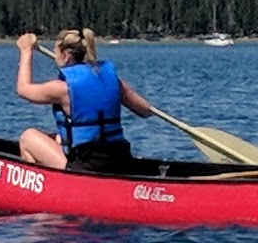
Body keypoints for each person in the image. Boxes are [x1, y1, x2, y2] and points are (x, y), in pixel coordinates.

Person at [15, 29, 154, 172]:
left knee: (28, 137)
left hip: (88, 164)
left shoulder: (63, 88)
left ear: (65, 55)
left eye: (55, 50)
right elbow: (145, 110)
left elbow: (23, 89)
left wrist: (26, 51)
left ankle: (52, 186)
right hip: (120, 158)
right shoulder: (113, 81)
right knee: (57, 138)